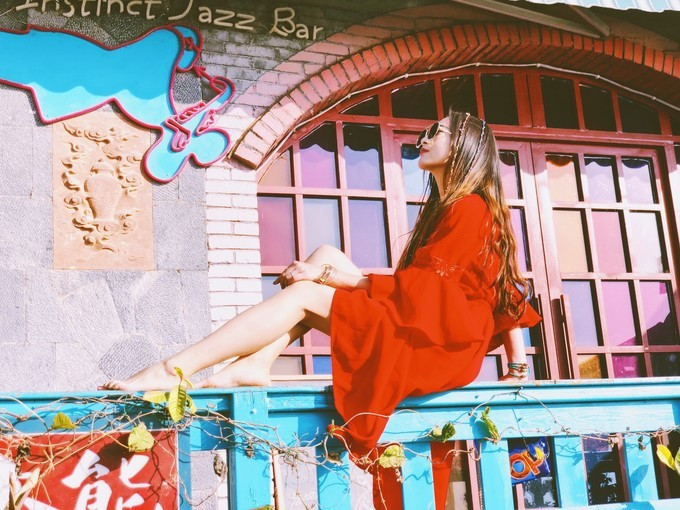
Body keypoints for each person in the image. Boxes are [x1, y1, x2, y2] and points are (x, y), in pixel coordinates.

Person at [101, 109, 541, 483]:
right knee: (326, 253)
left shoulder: (470, 209)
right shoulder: (451, 208)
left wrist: (327, 277)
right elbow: (499, 289)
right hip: (430, 328)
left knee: (306, 292)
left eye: (436, 132)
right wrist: (517, 365)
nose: (423, 138)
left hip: (436, 346)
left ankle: (172, 370)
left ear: (463, 147)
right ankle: (256, 363)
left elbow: (433, 291)